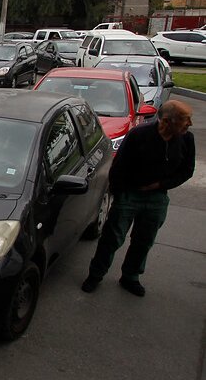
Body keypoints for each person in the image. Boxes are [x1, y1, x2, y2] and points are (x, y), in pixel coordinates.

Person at [81, 100, 195, 297]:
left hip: (157, 199)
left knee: (144, 240)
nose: (189, 124)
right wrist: (121, 195)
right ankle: (96, 274)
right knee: (112, 238)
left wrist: (159, 185)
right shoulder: (139, 135)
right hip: (129, 195)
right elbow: (118, 168)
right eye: (185, 120)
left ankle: (131, 277)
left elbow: (187, 170)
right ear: (167, 121)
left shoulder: (186, 139)